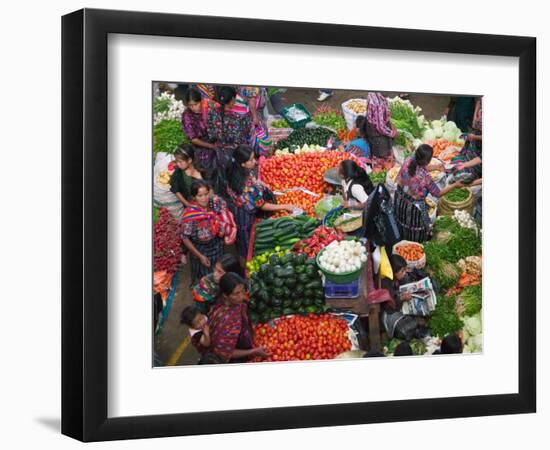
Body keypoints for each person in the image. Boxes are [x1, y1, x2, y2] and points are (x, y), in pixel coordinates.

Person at [226, 145, 297, 260]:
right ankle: (245, 260)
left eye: (254, 158)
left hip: (239, 207)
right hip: (245, 215)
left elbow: (253, 178)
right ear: (242, 164)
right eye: (251, 160)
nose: (255, 161)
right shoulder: (245, 186)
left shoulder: (237, 171)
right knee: (246, 239)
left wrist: (262, 184)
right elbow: (261, 205)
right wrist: (285, 206)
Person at [394, 144, 463, 242]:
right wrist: (455, 184)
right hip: (414, 207)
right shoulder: (425, 177)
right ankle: (415, 242)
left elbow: (420, 166)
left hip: (400, 198)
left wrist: (436, 167)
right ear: (427, 161)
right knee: (416, 227)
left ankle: (402, 237)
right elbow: (438, 194)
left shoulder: (409, 160)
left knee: (402, 220)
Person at [180, 180, 237, 284]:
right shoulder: (190, 215)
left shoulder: (215, 203)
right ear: (194, 197)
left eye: (206, 194)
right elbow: (185, 238)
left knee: (219, 273)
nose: (204, 198)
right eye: (200, 196)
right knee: (206, 278)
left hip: (217, 246)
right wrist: (200, 256)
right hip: (202, 251)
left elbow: (225, 214)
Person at [208, 272, 269, 363]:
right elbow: (224, 352)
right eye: (236, 294)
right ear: (225, 295)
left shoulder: (236, 303)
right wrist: (253, 351)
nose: (242, 296)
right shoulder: (225, 320)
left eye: (242, 290)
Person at [380, 254, 417, 341]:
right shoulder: (386, 284)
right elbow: (389, 307)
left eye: (405, 270)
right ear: (394, 271)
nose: (404, 273)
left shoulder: (394, 278)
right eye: (402, 271)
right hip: (388, 312)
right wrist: (402, 298)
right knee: (406, 328)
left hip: (397, 296)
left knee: (407, 278)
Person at [181, 88, 218, 171]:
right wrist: (211, 146)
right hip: (200, 147)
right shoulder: (187, 115)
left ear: (200, 101)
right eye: (190, 105)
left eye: (195, 104)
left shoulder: (208, 107)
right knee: (206, 166)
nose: (193, 107)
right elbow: (194, 139)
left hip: (214, 140)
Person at [365, 92, 397, 170]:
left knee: (377, 151)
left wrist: (390, 123)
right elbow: (381, 127)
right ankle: (383, 170)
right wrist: (393, 133)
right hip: (377, 132)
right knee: (382, 153)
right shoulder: (379, 104)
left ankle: (380, 166)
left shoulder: (372, 94)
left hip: (372, 127)